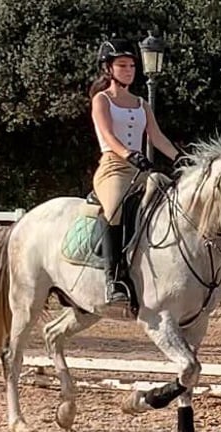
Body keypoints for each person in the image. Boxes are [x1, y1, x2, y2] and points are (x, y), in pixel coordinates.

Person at [88, 38, 182, 304]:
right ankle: (113, 278)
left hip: (140, 169)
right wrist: (130, 154)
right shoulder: (101, 99)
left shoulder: (141, 104)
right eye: (122, 65)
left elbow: (158, 136)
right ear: (108, 69)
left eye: (131, 65)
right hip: (113, 168)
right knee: (115, 207)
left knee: (170, 196)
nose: (129, 70)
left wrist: (179, 157)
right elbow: (108, 135)